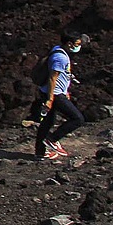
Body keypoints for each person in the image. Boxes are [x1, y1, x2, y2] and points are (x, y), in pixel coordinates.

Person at [35, 31, 86, 160]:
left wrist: (65, 90)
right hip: (54, 94)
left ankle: (40, 151)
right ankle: (52, 139)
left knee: (48, 121)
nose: (78, 46)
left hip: (52, 91)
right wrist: (50, 99)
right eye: (77, 44)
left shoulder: (57, 50)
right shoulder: (60, 57)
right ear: (69, 44)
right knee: (77, 119)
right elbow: (53, 78)